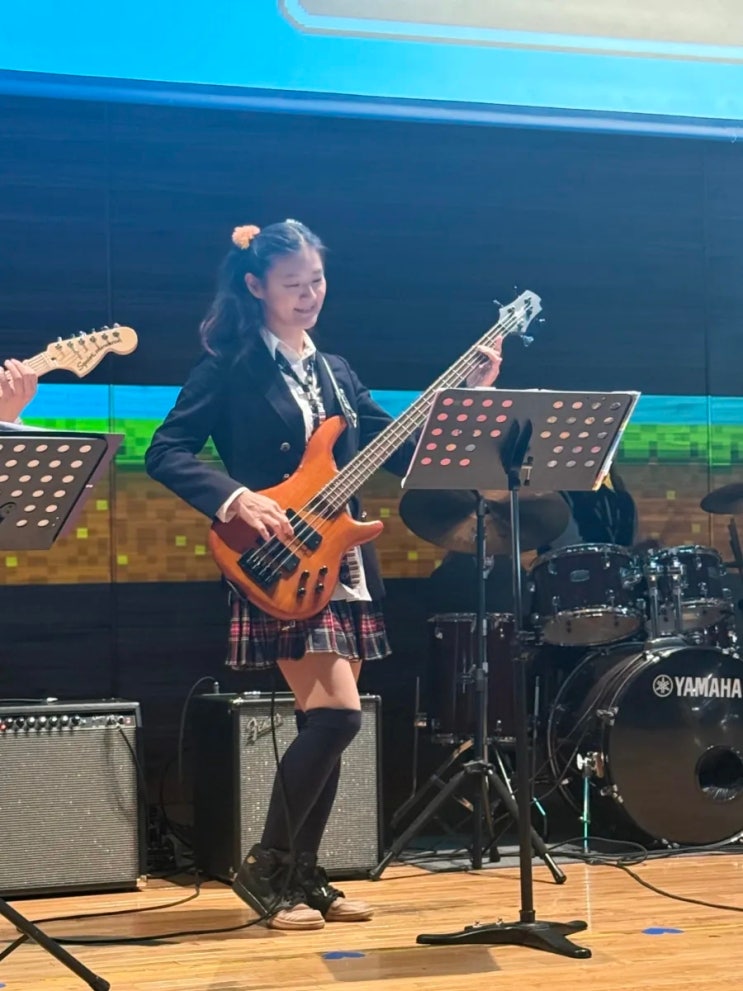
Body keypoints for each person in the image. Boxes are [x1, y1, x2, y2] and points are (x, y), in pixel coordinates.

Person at [145, 219, 502, 930]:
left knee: (327, 723)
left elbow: (397, 451)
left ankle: (304, 875)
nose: (309, 295)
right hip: (274, 557)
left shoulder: (337, 370)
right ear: (256, 286)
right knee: (338, 716)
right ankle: (266, 866)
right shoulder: (230, 364)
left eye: (317, 280)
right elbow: (166, 449)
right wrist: (234, 496)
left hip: (339, 559)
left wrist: (464, 398)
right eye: (293, 284)